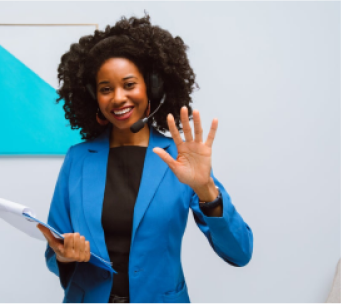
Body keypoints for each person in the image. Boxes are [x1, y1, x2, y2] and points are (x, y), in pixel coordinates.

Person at [37, 14, 253, 304]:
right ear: (94, 98)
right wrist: (64, 256)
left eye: (129, 84)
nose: (117, 98)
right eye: (105, 89)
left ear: (151, 88)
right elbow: (54, 252)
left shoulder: (180, 159)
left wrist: (206, 190)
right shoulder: (78, 159)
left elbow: (240, 252)